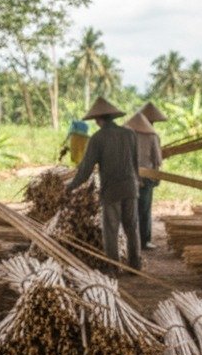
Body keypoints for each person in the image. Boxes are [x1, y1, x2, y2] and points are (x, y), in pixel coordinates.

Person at [66, 97, 141, 271]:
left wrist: (71, 187)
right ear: (112, 117)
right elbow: (135, 162)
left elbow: (85, 169)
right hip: (131, 187)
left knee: (111, 230)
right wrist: (137, 181)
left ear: (99, 120)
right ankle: (135, 265)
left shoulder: (98, 138)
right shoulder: (130, 134)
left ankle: (113, 268)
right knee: (132, 228)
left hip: (112, 190)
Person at [126, 111, 162, 250]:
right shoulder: (153, 136)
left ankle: (129, 241)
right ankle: (144, 241)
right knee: (144, 210)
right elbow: (157, 160)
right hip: (146, 177)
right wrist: (157, 176)